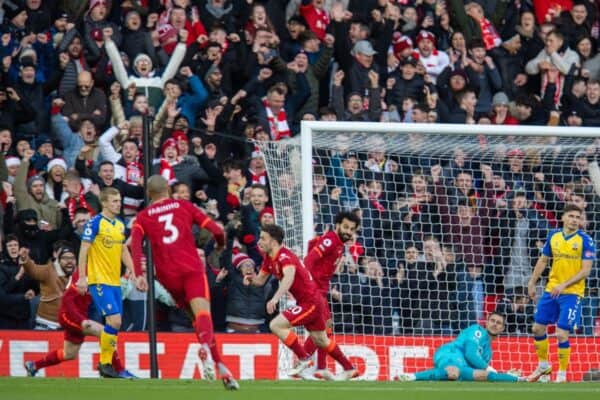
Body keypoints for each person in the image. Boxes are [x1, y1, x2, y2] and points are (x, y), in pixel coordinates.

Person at [129, 175, 239, 390]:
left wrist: (138, 274)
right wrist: (219, 246)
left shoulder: (142, 217)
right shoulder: (183, 206)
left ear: (149, 194)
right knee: (203, 315)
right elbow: (217, 231)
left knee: (196, 321)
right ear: (168, 191)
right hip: (191, 269)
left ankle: (222, 369)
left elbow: (135, 245)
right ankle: (206, 349)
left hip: (168, 276)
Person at [243, 224, 358, 380]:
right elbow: (260, 280)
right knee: (321, 340)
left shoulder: (285, 256)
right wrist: (251, 279)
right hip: (312, 301)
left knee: (276, 325)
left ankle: (304, 359)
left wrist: (275, 298)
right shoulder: (269, 259)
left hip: (310, 302)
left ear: (274, 241)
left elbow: (289, 277)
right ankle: (349, 368)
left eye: (263, 238)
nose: (259, 241)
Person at [75, 187, 143, 378]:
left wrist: (135, 271)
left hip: (115, 282)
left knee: (114, 324)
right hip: (99, 280)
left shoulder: (120, 224)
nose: (118, 204)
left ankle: (110, 365)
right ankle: (105, 364)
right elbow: (84, 249)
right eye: (114, 201)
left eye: (119, 200)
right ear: (104, 203)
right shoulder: (95, 223)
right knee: (115, 320)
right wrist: (82, 276)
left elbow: (123, 250)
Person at [24, 267, 136, 379]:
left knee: (69, 354)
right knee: (105, 333)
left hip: (79, 316)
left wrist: (126, 279)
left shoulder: (101, 273)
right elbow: (67, 299)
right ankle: (117, 369)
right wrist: (81, 319)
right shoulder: (83, 273)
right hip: (69, 315)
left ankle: (34, 365)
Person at [526, 204, 596, 383]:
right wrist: (532, 282)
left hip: (572, 293)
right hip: (552, 290)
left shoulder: (586, 240)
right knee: (537, 328)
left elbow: (586, 270)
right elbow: (543, 261)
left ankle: (562, 375)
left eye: (577, 217)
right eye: (571, 216)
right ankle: (543, 365)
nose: (574, 220)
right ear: (563, 217)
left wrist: (564, 284)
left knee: (561, 333)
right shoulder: (554, 236)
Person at [302, 211, 360, 380]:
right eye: (345, 226)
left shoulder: (339, 244)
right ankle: (306, 363)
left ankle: (320, 367)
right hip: (314, 290)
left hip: (321, 290)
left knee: (325, 329)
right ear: (337, 224)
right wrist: (308, 284)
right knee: (323, 329)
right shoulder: (331, 239)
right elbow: (309, 260)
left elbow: (314, 250)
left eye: (351, 229)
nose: (348, 231)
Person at [397, 312, 527, 382]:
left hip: (462, 366)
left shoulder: (488, 352)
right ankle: (412, 376)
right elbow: (470, 354)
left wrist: (503, 374)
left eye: (498, 323)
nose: (494, 324)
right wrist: (488, 368)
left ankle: (522, 379)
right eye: (492, 321)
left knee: (480, 376)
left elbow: (478, 371)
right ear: (486, 322)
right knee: (453, 372)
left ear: (502, 328)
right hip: (451, 353)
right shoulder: (477, 331)